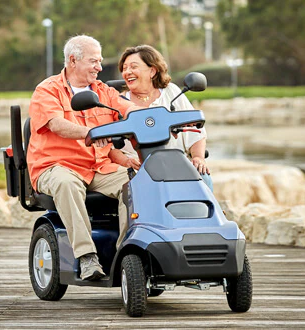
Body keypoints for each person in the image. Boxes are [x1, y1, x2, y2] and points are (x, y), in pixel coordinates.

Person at [27, 35, 138, 281]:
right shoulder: (48, 90)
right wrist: (90, 133)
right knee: (67, 185)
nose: (99, 67)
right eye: (93, 61)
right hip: (55, 165)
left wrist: (152, 116)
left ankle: (125, 255)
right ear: (73, 60)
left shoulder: (103, 91)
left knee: (135, 184)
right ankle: (87, 257)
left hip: (97, 166)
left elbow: (128, 108)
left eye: (99, 61)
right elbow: (56, 124)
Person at [109, 45, 213, 191]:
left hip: (175, 162)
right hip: (136, 168)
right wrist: (126, 161)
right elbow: (109, 147)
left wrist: (198, 157)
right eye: (124, 68)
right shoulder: (117, 101)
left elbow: (196, 131)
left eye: (133, 67)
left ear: (152, 70)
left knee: (203, 177)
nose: (127, 72)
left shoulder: (172, 92)